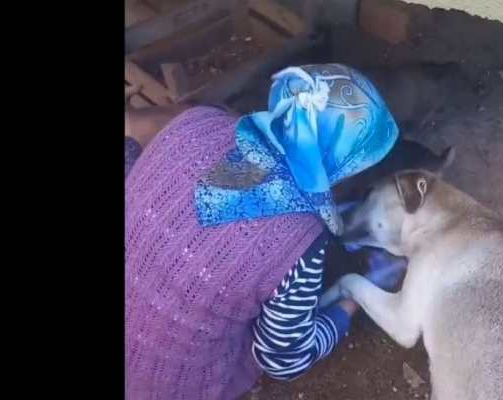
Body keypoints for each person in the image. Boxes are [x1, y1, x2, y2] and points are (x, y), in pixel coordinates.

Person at [125, 64, 406, 400]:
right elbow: (282, 360)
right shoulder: (298, 237)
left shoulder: (195, 122)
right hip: (166, 387)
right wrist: (348, 308)